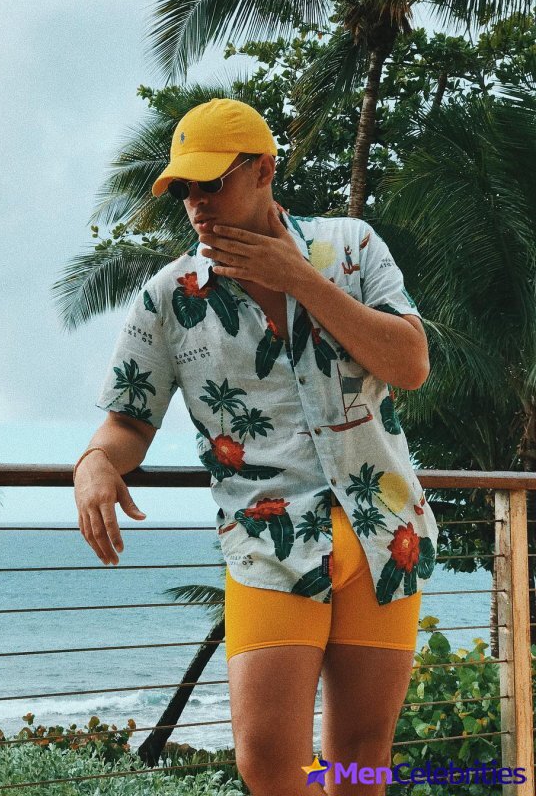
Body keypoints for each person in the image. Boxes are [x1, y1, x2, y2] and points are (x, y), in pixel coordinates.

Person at [73, 98, 439, 796]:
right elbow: (129, 423)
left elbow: (410, 364)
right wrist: (95, 463)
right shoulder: (168, 297)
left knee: (363, 755)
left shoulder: (352, 248)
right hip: (269, 542)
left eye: (211, 182)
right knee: (267, 761)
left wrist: (299, 278)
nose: (196, 204)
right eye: (183, 189)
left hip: (384, 531)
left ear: (264, 171)